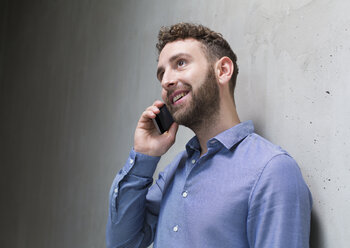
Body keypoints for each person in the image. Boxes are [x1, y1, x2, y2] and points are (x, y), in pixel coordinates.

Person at [106, 23, 312, 248]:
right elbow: (123, 243)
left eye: (180, 63)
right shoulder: (176, 171)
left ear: (222, 71)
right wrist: (144, 155)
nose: (166, 81)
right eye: (162, 73)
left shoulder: (272, 170)